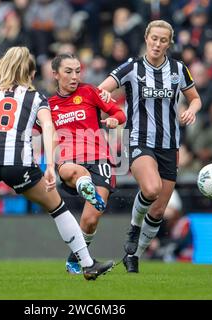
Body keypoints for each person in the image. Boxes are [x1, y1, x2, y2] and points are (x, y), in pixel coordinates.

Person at [0, 47, 114, 282]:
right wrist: (48, 168)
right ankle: (87, 265)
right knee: (58, 210)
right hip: (19, 162)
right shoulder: (35, 97)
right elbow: (49, 129)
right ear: (31, 72)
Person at [99, 20, 202, 273]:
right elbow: (101, 91)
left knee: (157, 211)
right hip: (139, 140)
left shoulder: (178, 69)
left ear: (169, 43)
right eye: (154, 38)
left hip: (169, 145)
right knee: (152, 188)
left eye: (163, 40)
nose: (157, 44)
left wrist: (192, 109)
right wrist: (110, 108)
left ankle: (134, 257)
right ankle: (134, 226)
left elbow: (196, 98)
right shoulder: (132, 68)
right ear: (146, 38)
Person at [48, 53, 126, 274]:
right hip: (69, 158)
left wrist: (113, 119)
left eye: (77, 71)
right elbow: (40, 133)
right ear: (55, 74)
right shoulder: (49, 105)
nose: (74, 77)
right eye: (68, 72)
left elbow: (120, 113)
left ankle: (75, 259)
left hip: (99, 157)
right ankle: (83, 183)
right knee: (71, 170)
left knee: (90, 220)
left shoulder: (90, 92)